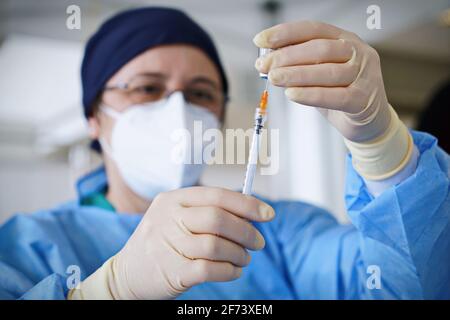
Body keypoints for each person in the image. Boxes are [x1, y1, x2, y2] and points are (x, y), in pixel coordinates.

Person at [0, 7, 448, 300]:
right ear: (93, 117)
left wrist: (380, 146)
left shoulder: (280, 231)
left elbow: (413, 288)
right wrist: (106, 290)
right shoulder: (30, 245)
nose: (178, 110)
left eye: (199, 92)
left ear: (217, 113)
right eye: (147, 89)